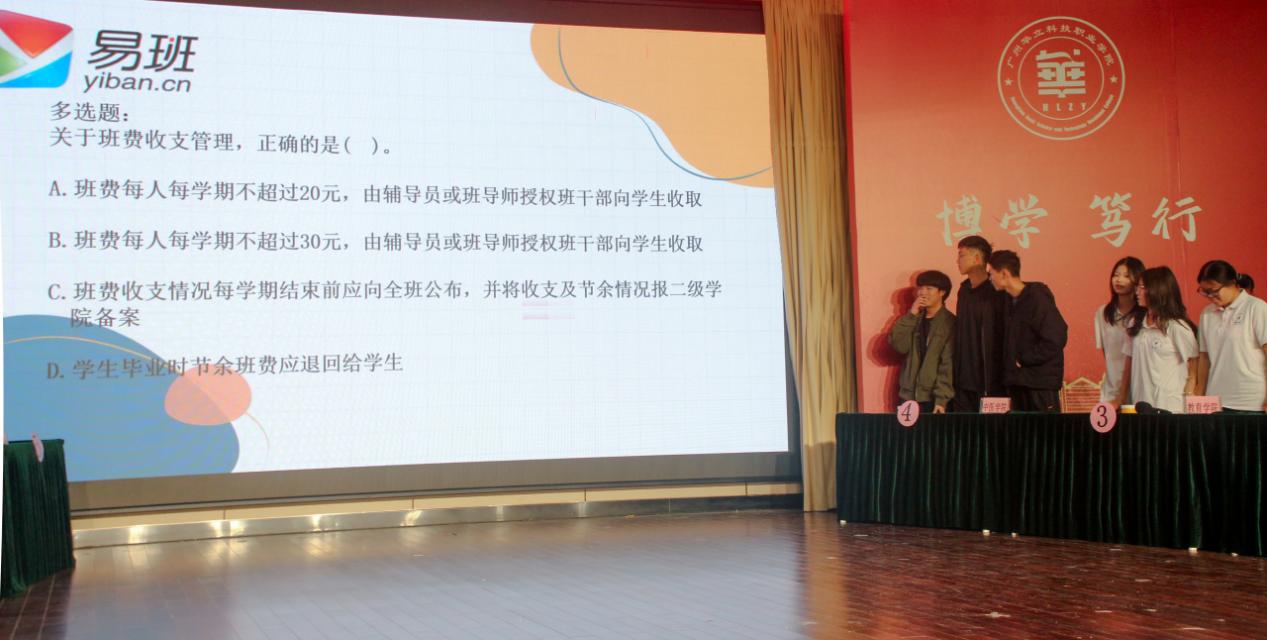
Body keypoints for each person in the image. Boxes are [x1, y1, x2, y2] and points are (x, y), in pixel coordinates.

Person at [986, 250, 1067, 412]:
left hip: (1040, 384)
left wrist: (1024, 359)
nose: (990, 279)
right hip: (1018, 382)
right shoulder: (1008, 300)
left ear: (1004, 273)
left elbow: (1056, 338)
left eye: (991, 274)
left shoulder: (1037, 298)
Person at [1119, 267, 1198, 413]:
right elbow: (1128, 362)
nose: (1137, 292)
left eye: (1142, 287)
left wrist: (1190, 395)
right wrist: (1121, 397)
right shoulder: (1135, 323)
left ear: (1158, 290)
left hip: (1171, 408)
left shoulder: (1177, 327)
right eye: (1137, 287)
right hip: (1141, 406)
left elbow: (1194, 364)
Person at [1194, 260, 1267, 413]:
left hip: (1252, 401)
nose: (1210, 296)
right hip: (1215, 401)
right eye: (1205, 292)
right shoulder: (1207, 314)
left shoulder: (1256, 307)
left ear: (1232, 283)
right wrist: (1199, 394)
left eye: (1214, 291)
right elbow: (1204, 358)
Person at [950, 236, 1008, 412]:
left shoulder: (997, 290)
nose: (957, 260)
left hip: (991, 381)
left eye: (961, 255)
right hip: (963, 380)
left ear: (977, 258)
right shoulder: (964, 290)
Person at [888, 270, 956, 413]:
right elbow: (899, 346)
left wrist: (941, 399)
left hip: (932, 398)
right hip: (908, 395)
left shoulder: (950, 323)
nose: (923, 293)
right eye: (920, 288)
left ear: (942, 292)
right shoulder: (915, 319)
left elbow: (948, 364)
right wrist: (912, 314)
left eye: (929, 288)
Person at [1095, 257, 1146, 406]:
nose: (1119, 280)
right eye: (1116, 275)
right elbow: (1106, 353)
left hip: (1139, 387)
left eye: (1126, 276)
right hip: (1112, 388)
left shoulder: (1144, 314)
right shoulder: (1103, 313)